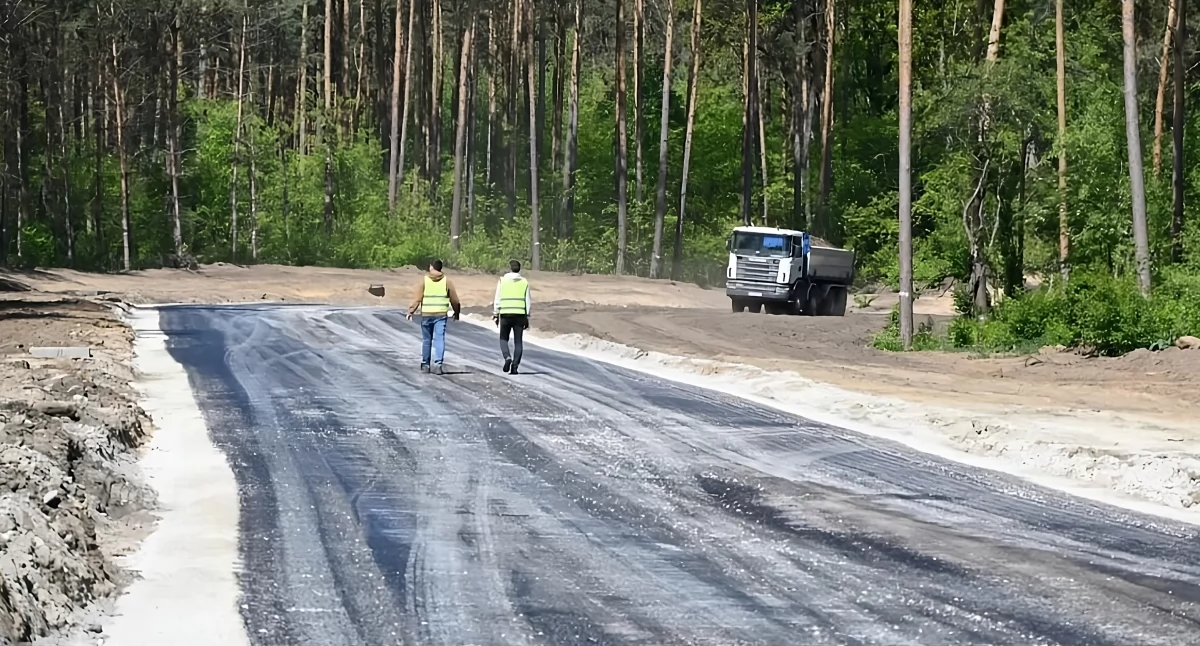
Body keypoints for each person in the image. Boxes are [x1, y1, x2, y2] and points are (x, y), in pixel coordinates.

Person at [406, 259, 461, 374]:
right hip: (441, 314)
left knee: (427, 340)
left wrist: (411, 311)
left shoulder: (424, 281)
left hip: (427, 314)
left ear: (431, 267)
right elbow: (454, 300)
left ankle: (426, 364)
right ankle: (438, 365)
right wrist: (457, 312)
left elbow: (417, 298)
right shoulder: (446, 281)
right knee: (439, 339)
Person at [492, 259, 531, 374]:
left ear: (510, 268)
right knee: (518, 342)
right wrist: (527, 316)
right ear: (519, 269)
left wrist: (496, 313)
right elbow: (527, 300)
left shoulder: (502, 281)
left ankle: (507, 357)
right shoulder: (524, 282)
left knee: (503, 338)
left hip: (505, 314)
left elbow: (497, 298)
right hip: (520, 315)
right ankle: (515, 367)